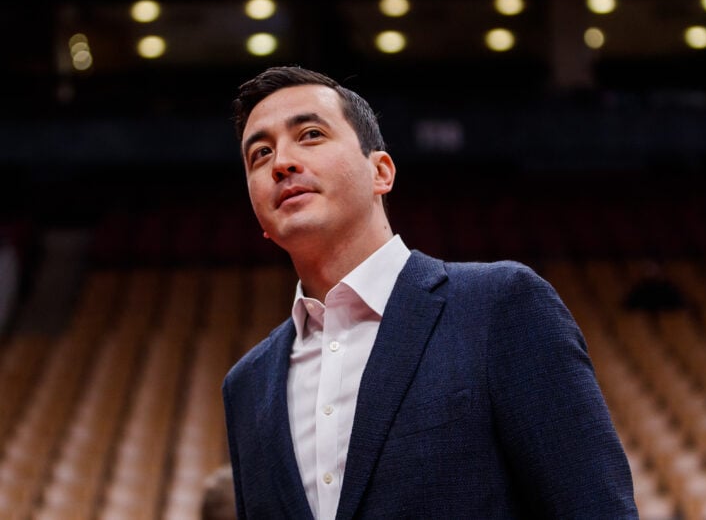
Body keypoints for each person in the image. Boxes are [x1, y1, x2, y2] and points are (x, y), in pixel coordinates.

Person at [222, 66, 638, 519]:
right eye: (260, 154)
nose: (281, 161)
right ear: (258, 214)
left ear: (380, 171)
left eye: (311, 134)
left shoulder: (500, 306)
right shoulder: (245, 386)